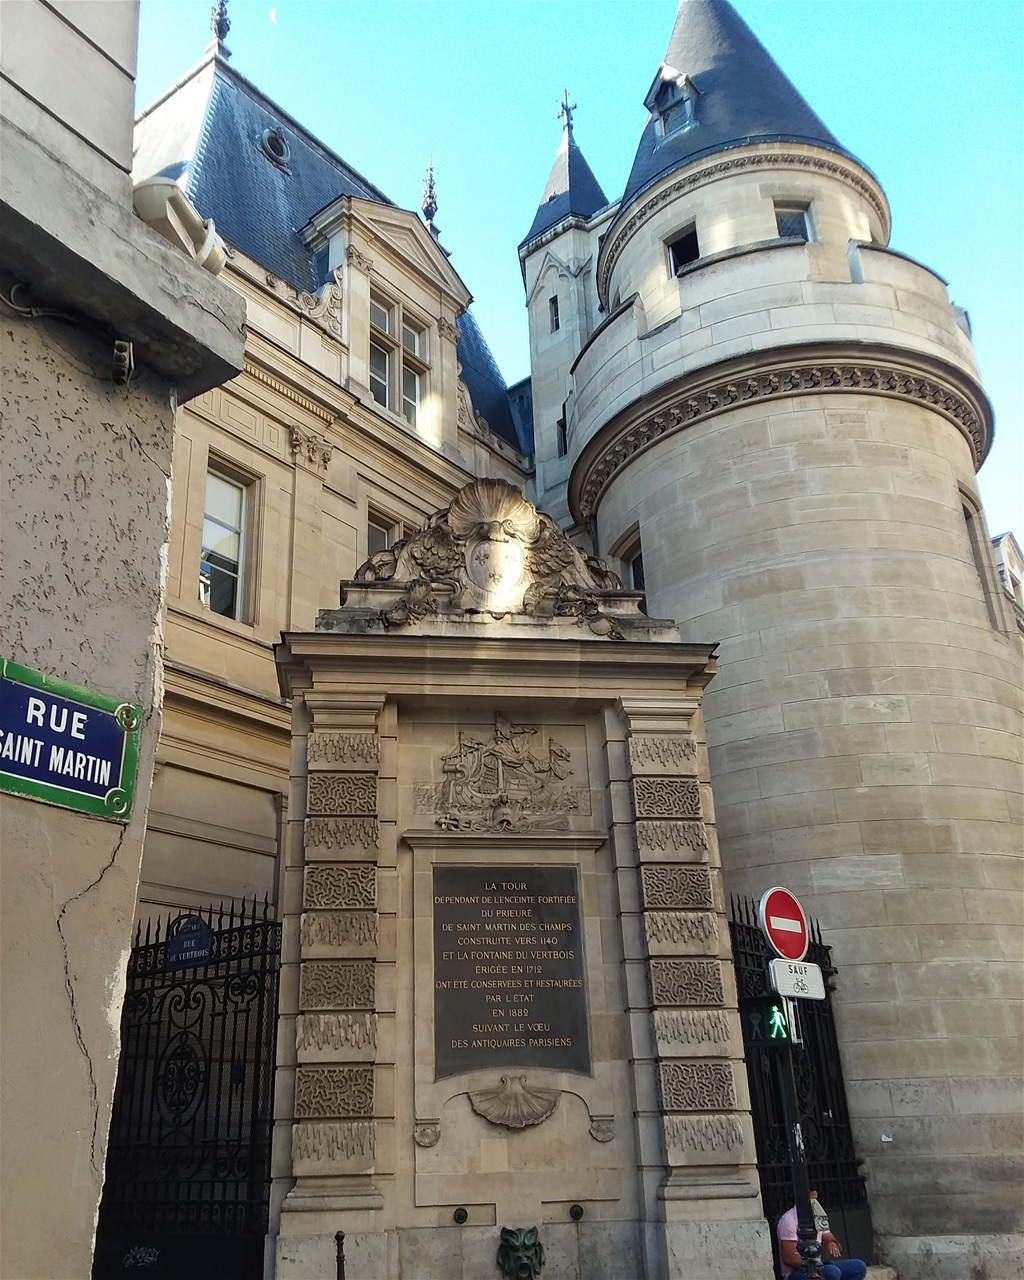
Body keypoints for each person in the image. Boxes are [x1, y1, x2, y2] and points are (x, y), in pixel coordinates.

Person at [776, 1191, 867, 1280]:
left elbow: (830, 1238)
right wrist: (814, 1265)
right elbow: (789, 1259)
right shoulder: (789, 1220)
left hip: (819, 1265)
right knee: (832, 1272)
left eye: (816, 1199)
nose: (815, 1203)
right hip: (797, 1272)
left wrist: (832, 1243)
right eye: (812, 1200)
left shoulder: (818, 1216)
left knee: (858, 1267)